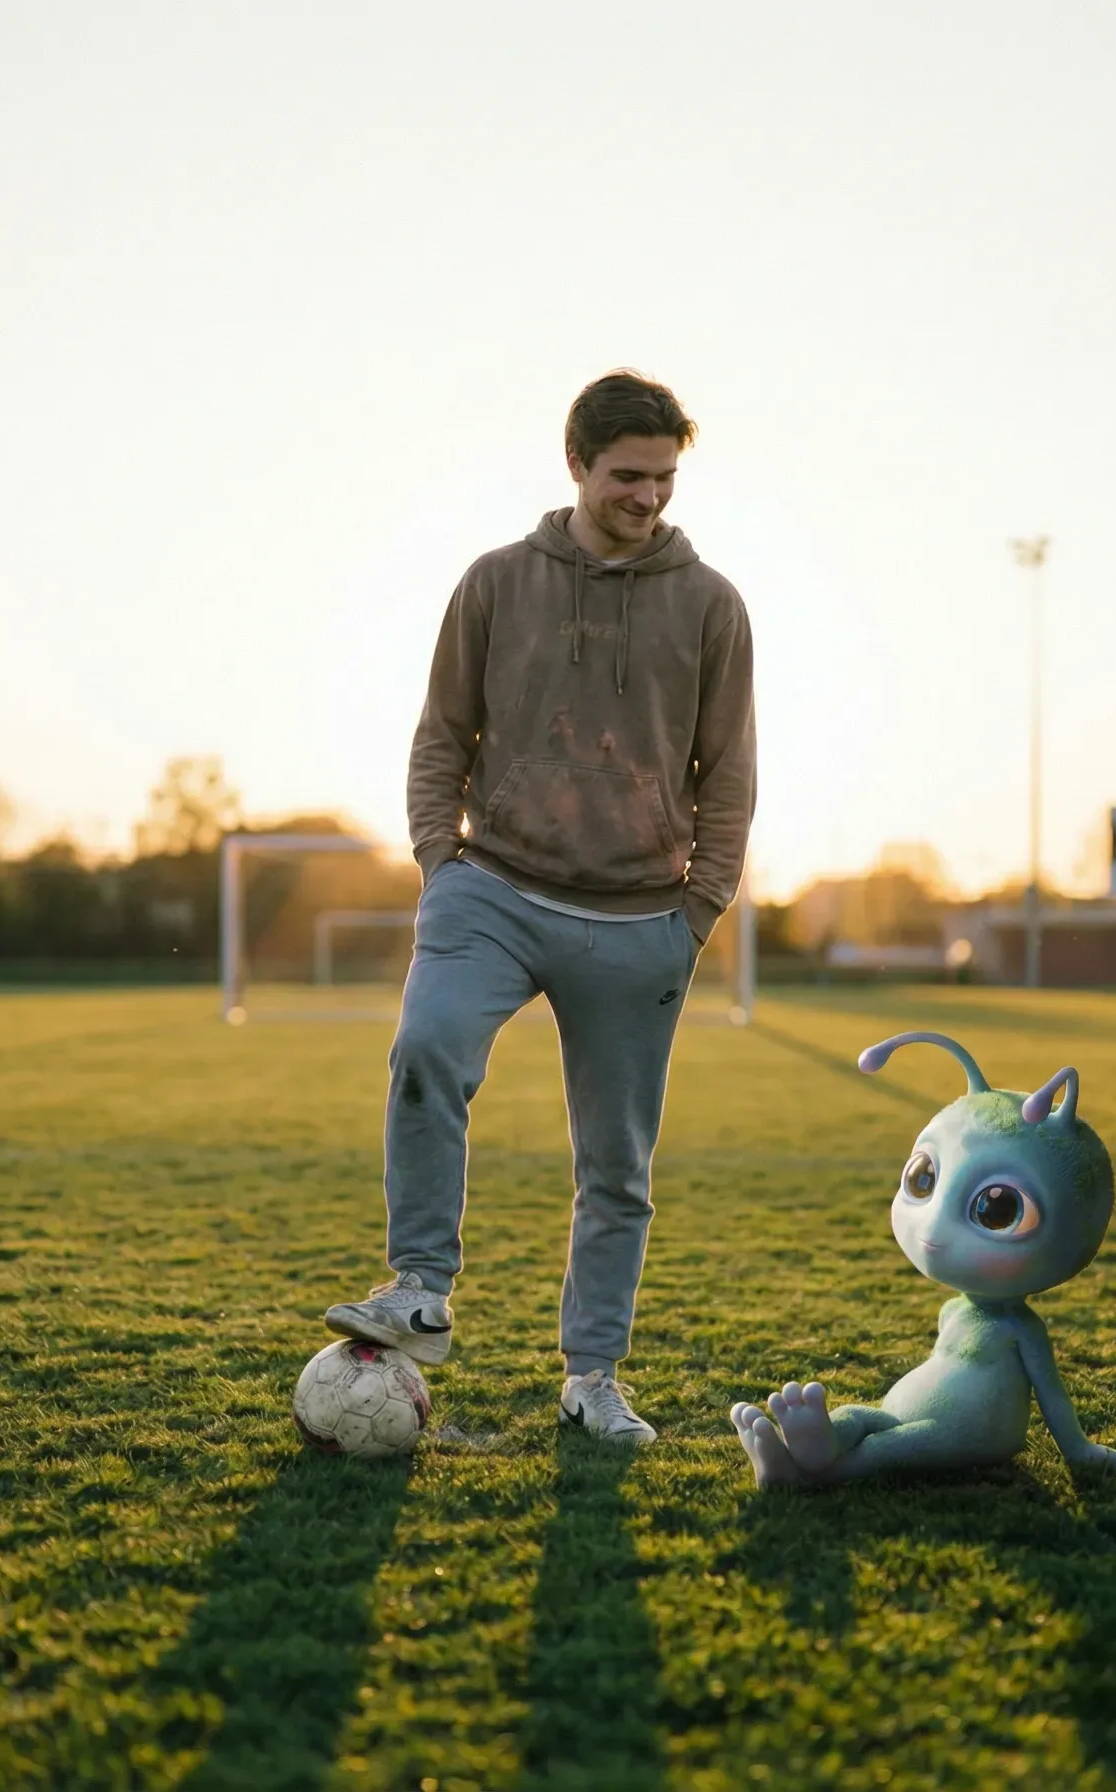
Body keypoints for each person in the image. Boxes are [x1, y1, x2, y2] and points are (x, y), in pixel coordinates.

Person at [324, 370, 757, 1444]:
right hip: (495, 891)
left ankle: (592, 1378)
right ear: (576, 464)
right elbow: (441, 736)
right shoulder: (495, 583)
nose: (648, 497)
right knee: (426, 1044)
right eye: (626, 476)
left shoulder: (712, 605)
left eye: (662, 478)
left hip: (641, 918)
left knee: (617, 1167)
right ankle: (421, 1285)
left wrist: (698, 910)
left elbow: (730, 770)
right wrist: (441, 865)